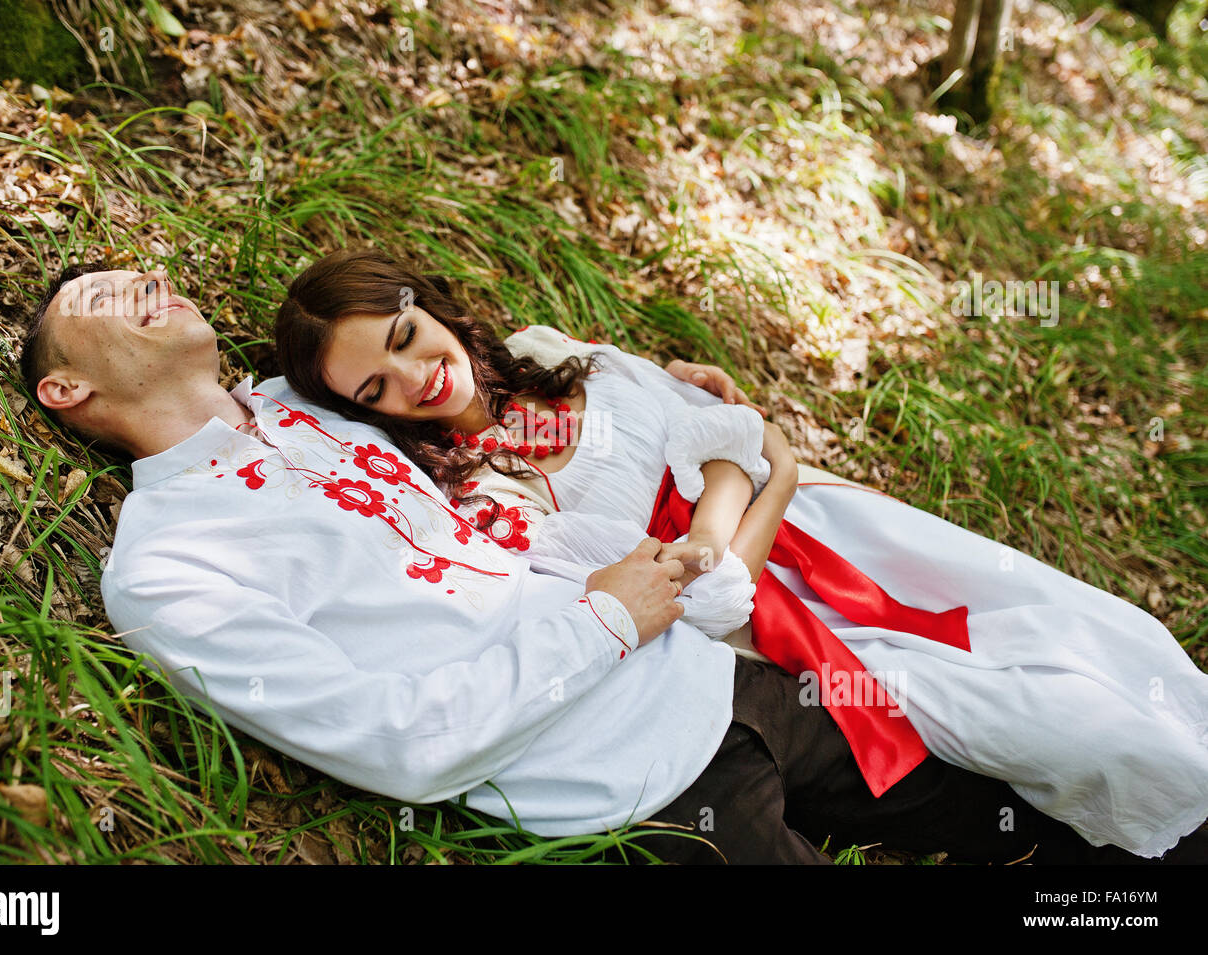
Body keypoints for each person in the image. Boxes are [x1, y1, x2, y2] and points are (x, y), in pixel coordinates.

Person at [274, 247, 1208, 861]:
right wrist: (764, 482)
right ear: (366, 413)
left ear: (428, 306)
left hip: (848, 545)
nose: (414, 374)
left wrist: (744, 489)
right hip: (777, 637)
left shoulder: (549, 350)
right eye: (376, 387)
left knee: (1098, 641)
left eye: (405, 337)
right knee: (1058, 727)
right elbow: (710, 593)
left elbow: (717, 425)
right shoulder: (486, 504)